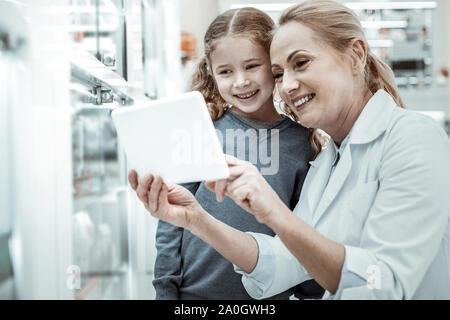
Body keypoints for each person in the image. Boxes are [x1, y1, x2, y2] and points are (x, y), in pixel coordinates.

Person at [130, 0, 450, 299]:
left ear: (356, 55)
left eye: (302, 63)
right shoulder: (327, 161)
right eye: (280, 73)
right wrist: (196, 219)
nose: (288, 85)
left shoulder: (413, 138)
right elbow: (286, 262)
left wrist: (276, 212)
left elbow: (385, 282)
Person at [130, 7, 323, 300]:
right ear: (211, 72)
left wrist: (311, 288)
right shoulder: (201, 130)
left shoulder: (301, 142)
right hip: (193, 297)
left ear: (273, 64)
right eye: (226, 71)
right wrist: (166, 290)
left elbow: (301, 231)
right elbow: (171, 223)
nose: (240, 81)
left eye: (252, 66)